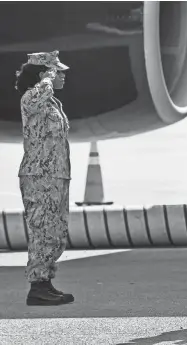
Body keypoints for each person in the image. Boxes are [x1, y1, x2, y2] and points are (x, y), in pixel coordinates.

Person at [15, 51, 75, 306]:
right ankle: (37, 287)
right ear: (44, 75)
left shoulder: (51, 104)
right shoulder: (32, 97)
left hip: (55, 175)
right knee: (42, 231)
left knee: (56, 231)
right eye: (57, 71)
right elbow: (38, 95)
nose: (62, 76)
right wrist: (47, 78)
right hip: (40, 176)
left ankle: (46, 282)